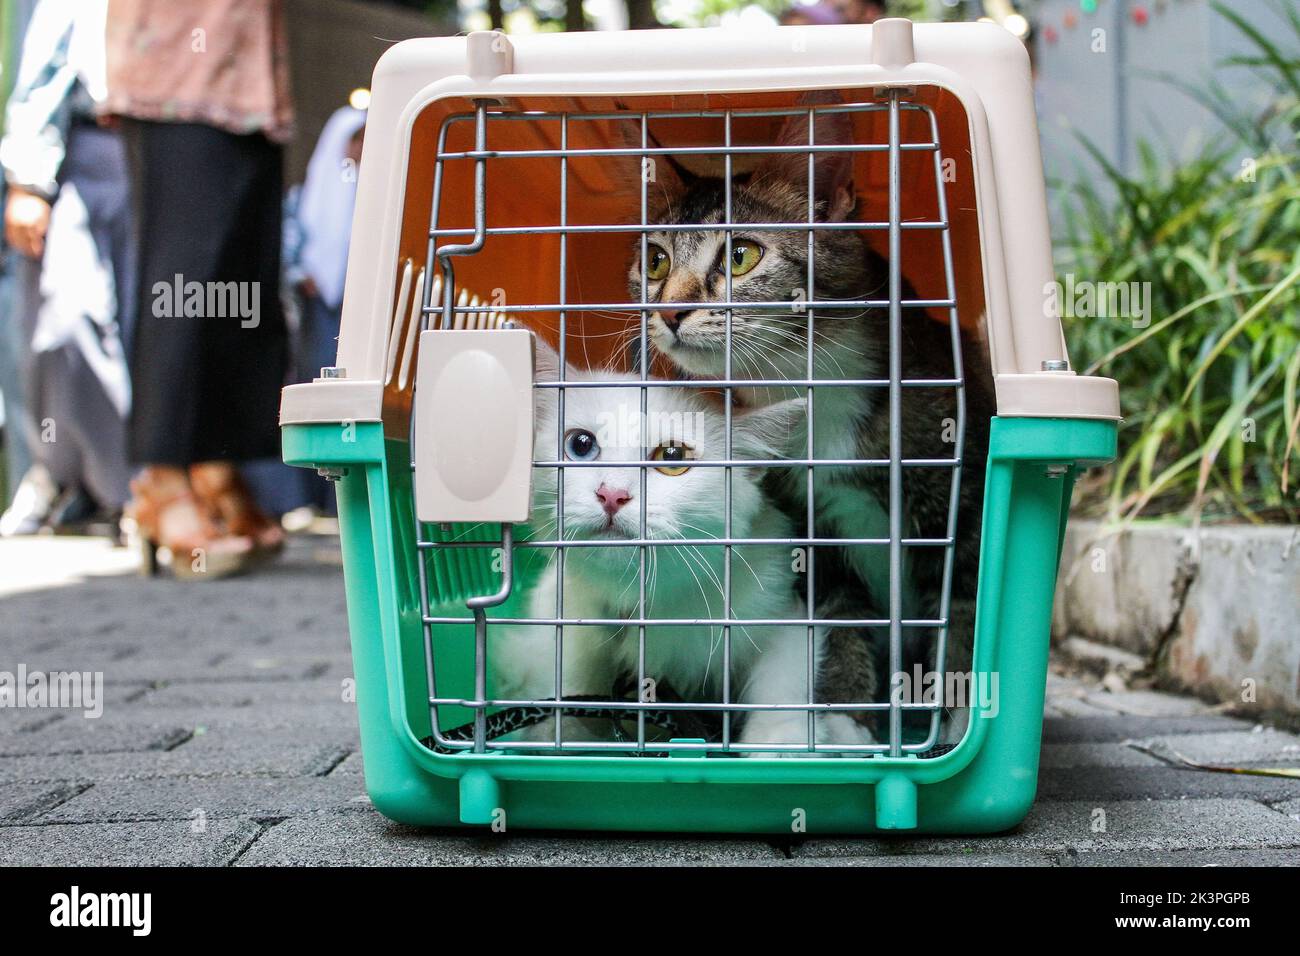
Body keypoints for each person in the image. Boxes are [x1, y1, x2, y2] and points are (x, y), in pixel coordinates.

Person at [104, 0, 293, 579]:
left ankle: (214, 467)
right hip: (177, 69)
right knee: (184, 285)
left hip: (249, 77)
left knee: (242, 290)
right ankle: (161, 477)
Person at [0, 0, 134, 538]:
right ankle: (95, 481)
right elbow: (42, 69)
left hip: (153, 151)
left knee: (145, 325)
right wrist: (28, 182)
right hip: (79, 148)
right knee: (64, 317)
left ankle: (118, 486)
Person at [281, 103, 366, 518]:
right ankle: (311, 496)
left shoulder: (377, 188)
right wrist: (303, 273)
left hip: (361, 311)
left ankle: (347, 496)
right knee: (315, 396)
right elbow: (292, 241)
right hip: (321, 310)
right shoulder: (311, 193)